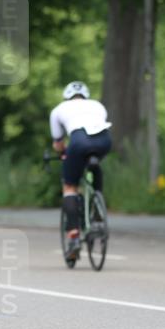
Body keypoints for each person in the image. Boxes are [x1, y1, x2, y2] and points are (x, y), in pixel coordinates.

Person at [49, 81, 113, 260]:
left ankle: (74, 237)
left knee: (70, 187)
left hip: (78, 140)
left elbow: (58, 143)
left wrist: (63, 153)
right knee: (94, 164)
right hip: (104, 140)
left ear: (66, 96)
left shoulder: (58, 110)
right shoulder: (98, 105)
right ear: (86, 95)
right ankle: (97, 209)